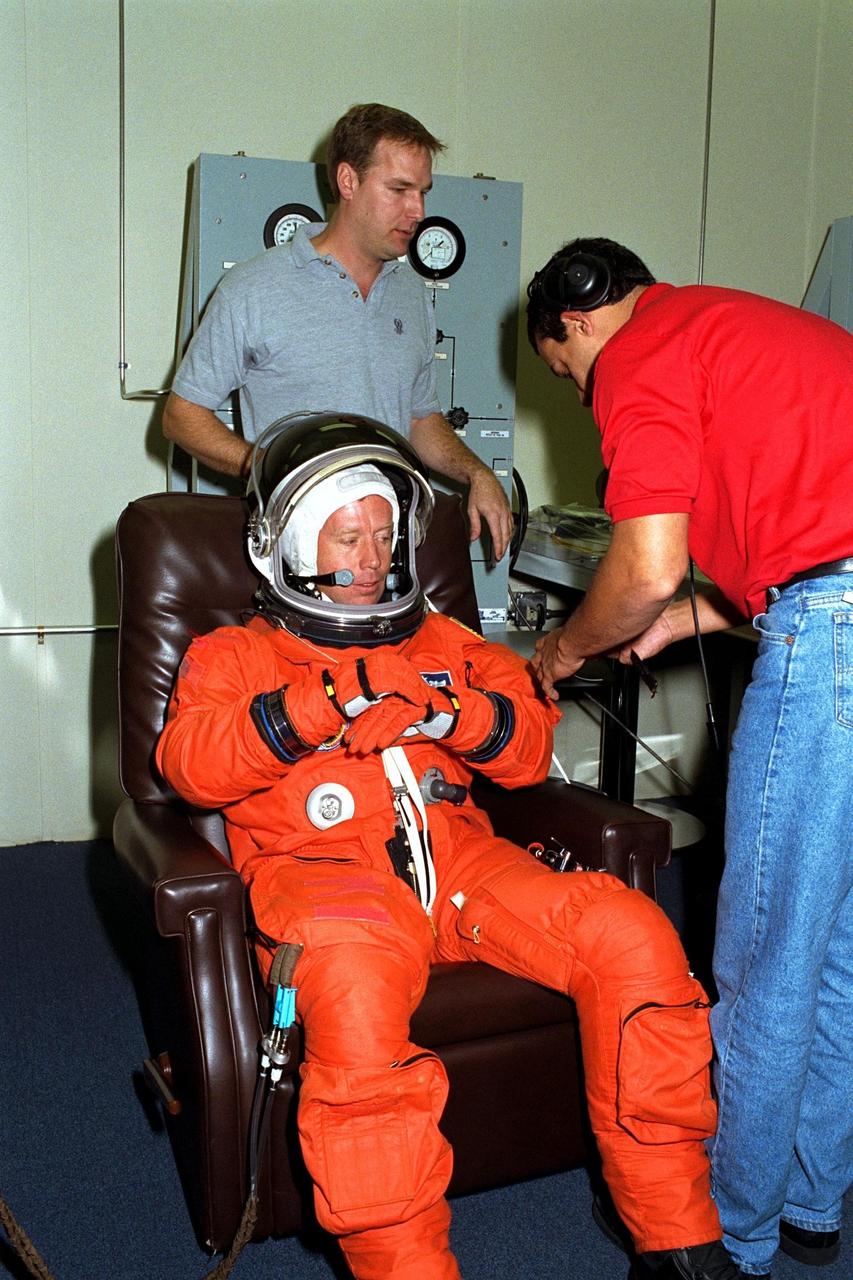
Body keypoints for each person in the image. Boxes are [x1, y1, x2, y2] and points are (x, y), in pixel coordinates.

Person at [156, 410, 744, 1280]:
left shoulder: (444, 639)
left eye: (384, 536)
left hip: (465, 868)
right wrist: (326, 699)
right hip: (326, 885)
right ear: (280, 543)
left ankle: (676, 1235)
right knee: (355, 1012)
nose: (368, 560)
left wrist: (448, 712)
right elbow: (191, 767)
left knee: (633, 938)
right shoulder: (233, 653)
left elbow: (528, 747)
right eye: (346, 536)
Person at [526, 237, 853, 1278]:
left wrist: (566, 644)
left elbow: (647, 556)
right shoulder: (733, 323)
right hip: (832, 596)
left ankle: (722, 1235)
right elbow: (808, 525)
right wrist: (680, 623)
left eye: (563, 373)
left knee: (761, 954)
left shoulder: (637, 353)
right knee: (836, 943)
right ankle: (809, 1198)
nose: (581, 394)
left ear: (572, 322)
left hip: (834, 631)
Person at [162, 101, 512, 562]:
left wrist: (477, 473)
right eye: (400, 189)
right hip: (296, 553)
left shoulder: (412, 293)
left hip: (391, 549)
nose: (418, 210)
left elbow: (419, 419)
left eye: (423, 191)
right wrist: (266, 468)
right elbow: (181, 416)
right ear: (348, 181)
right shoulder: (252, 289)